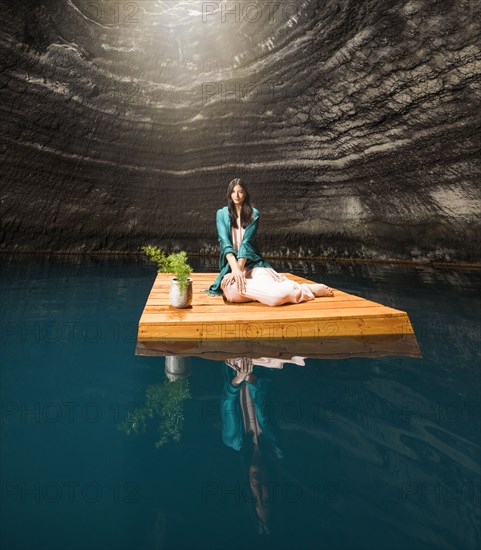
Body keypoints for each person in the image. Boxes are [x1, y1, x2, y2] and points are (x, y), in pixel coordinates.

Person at [203, 178, 334, 306]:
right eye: (233, 191)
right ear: (229, 194)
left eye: (240, 191)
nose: (236, 195)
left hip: (254, 265)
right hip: (232, 267)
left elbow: (246, 244)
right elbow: (225, 243)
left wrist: (239, 269)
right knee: (231, 294)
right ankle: (275, 290)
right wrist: (235, 271)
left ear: (245, 194)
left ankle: (304, 289)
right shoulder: (221, 214)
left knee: (276, 298)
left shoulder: (254, 214)